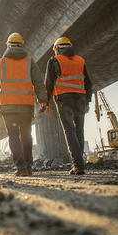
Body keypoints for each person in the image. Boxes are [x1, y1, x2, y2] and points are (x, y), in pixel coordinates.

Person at [0, 33, 47, 176]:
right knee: (26, 135)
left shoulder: (0, 63)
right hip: (26, 105)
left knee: (13, 135)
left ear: (8, 45)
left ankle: (20, 166)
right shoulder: (29, 62)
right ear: (21, 45)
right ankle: (29, 166)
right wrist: (43, 101)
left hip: (7, 106)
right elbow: (38, 82)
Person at [44, 37, 93, 175]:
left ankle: (78, 165)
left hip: (64, 100)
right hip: (81, 99)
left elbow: (48, 83)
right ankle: (79, 164)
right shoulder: (80, 60)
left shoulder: (54, 60)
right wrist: (88, 101)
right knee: (79, 132)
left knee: (70, 131)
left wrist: (45, 102)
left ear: (57, 49)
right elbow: (88, 83)